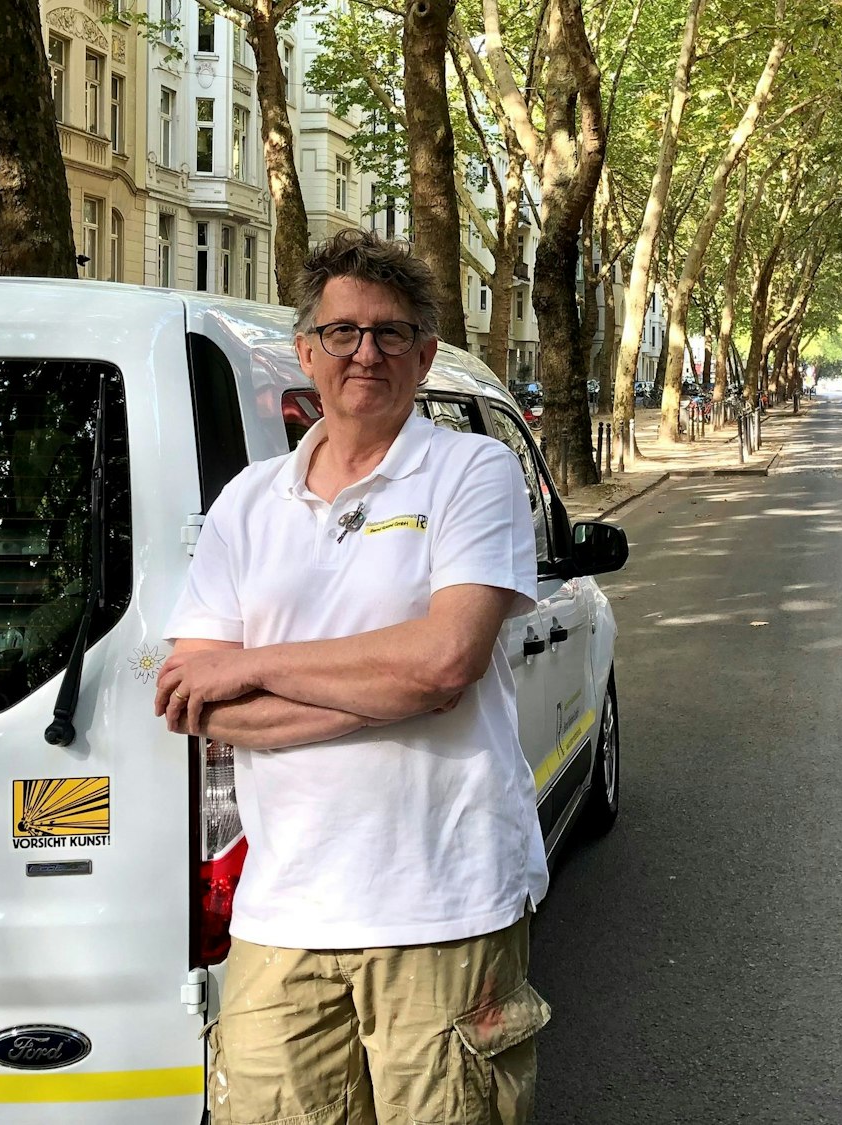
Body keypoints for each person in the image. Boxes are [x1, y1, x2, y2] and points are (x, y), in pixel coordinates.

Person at [157, 228, 551, 1125]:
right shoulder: (247, 502)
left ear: (424, 356)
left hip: (444, 904)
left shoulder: (474, 471)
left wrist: (255, 669)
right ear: (308, 350)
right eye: (342, 332)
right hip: (282, 917)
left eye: (390, 333)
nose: (364, 352)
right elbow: (192, 696)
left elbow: (448, 659)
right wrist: (391, 681)